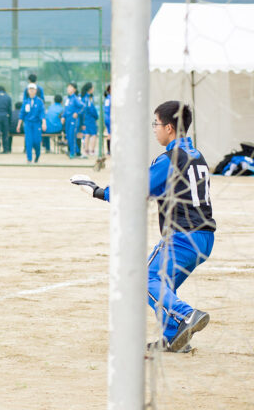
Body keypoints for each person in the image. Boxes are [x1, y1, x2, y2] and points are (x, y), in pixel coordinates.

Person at [70, 101, 214, 353]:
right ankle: (174, 337)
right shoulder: (196, 155)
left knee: (144, 278)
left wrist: (99, 191)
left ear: (169, 128)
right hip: (205, 238)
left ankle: (187, 314)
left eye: (156, 124)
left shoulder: (171, 158)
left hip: (182, 237)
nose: (154, 129)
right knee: (161, 286)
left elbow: (138, 189)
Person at [17, 83, 46, 163]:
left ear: (36, 91)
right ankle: (29, 158)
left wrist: (44, 123)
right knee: (28, 141)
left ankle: (37, 155)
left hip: (36, 123)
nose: (31, 91)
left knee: (37, 141)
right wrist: (19, 124)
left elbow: (42, 113)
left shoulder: (40, 102)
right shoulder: (26, 101)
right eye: (30, 89)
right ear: (28, 91)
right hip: (28, 123)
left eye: (33, 89)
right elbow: (22, 113)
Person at [61, 83, 84, 159]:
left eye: (70, 87)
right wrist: (63, 117)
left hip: (73, 120)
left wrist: (76, 113)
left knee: (72, 135)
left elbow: (82, 107)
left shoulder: (75, 99)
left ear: (74, 89)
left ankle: (73, 153)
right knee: (68, 136)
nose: (68, 89)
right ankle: (75, 151)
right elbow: (65, 109)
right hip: (67, 120)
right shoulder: (68, 99)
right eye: (68, 87)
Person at [80, 82, 99, 158]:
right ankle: (92, 150)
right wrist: (96, 116)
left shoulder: (83, 97)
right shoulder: (89, 98)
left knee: (87, 134)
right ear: (90, 89)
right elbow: (92, 109)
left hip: (85, 118)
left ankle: (86, 150)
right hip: (90, 118)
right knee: (93, 134)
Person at [104, 85, 112, 155]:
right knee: (110, 134)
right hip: (110, 117)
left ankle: (109, 150)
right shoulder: (111, 98)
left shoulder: (106, 98)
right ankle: (109, 150)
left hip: (106, 117)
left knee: (109, 133)